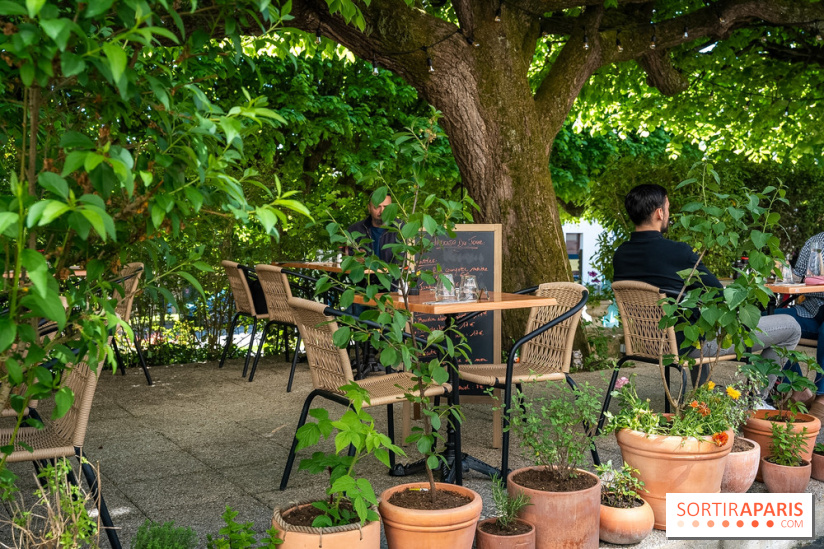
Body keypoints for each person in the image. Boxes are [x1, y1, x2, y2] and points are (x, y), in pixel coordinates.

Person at [613, 183, 801, 392]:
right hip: (685, 345)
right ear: (659, 212)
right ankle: (757, 401)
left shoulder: (621, 254)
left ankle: (703, 399)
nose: (669, 213)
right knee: (791, 327)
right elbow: (722, 297)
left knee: (696, 322)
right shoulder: (678, 252)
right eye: (667, 207)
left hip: (646, 343)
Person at [773, 232, 824, 416]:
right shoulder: (816, 241)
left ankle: (822, 398)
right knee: (770, 322)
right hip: (811, 309)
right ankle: (800, 388)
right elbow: (797, 277)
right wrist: (780, 270)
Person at [346, 194, 399, 265]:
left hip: (392, 275)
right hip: (365, 275)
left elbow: (408, 260)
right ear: (369, 208)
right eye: (377, 207)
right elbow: (345, 256)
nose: (382, 211)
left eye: (386, 207)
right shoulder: (355, 230)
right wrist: (355, 258)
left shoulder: (401, 229)